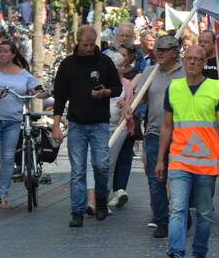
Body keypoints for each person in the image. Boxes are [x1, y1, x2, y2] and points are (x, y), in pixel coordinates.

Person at [156, 44, 219, 258]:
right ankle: (175, 256)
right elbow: (167, 126)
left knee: (204, 213)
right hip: (179, 159)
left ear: (204, 62)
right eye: (189, 59)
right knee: (177, 208)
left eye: (198, 60)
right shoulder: (174, 88)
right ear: (183, 59)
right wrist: (161, 159)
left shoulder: (216, 88)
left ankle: (200, 253)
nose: (193, 63)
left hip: (207, 161)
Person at [51, 25, 122, 228]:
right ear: (77, 42)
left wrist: (105, 93)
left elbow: (117, 88)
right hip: (77, 124)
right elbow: (60, 97)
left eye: (92, 44)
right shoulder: (68, 65)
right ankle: (77, 210)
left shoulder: (105, 62)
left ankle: (100, 198)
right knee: (78, 170)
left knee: (101, 165)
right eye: (85, 45)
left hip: (99, 123)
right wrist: (56, 124)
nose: (89, 48)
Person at [0, 42, 43, 209]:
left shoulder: (23, 74)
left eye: (5, 51)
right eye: (0, 51)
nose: (2, 54)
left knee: (8, 158)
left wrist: (43, 91)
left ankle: (3, 195)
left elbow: (36, 89)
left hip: (12, 121)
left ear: (13, 54)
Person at [134, 34, 185, 238]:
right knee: (156, 180)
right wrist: (131, 109)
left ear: (175, 52)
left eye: (164, 50)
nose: (159, 53)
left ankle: (180, 215)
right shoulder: (149, 72)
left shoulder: (185, 72)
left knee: (179, 178)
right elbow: (140, 98)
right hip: (155, 132)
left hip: (182, 132)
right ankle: (162, 220)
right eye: (157, 50)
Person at [108, 43, 140, 210]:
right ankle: (103, 194)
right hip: (103, 127)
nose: (123, 68)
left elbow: (132, 103)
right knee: (104, 163)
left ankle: (114, 192)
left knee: (116, 162)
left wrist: (126, 105)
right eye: (119, 65)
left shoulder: (127, 84)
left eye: (122, 64)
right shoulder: (104, 82)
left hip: (120, 128)